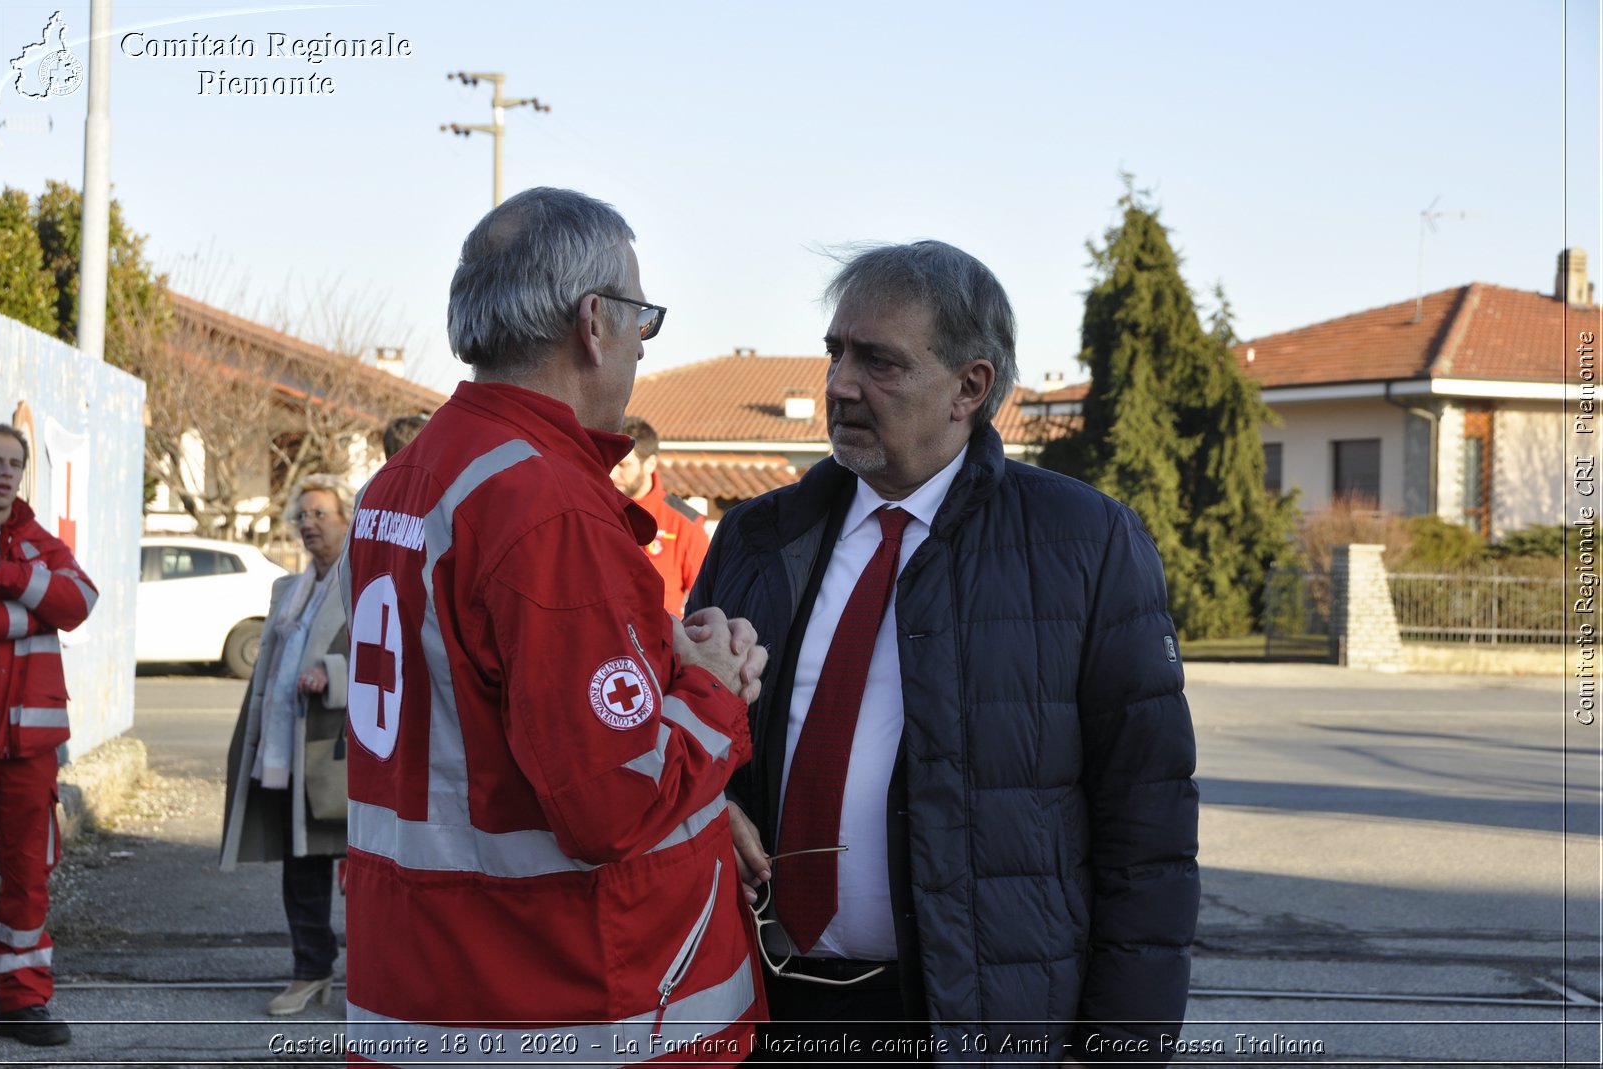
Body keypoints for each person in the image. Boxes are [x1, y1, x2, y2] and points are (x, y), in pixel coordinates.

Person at [687, 241, 1200, 1065]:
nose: (841, 384)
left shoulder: (1085, 543)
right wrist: (711, 804)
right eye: (836, 352)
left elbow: (1149, 823)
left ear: (971, 386)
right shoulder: (757, 536)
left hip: (968, 1019)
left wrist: (1116, 1049)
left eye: (879, 362)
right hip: (759, 1005)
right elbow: (683, 742)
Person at [340, 187, 767, 1065]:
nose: (642, 351)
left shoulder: (411, 477)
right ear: (593, 322)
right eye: (643, 321)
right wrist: (711, 686)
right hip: (563, 996)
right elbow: (613, 805)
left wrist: (658, 660)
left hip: (428, 980)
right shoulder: (544, 503)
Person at [219, 474, 353, 1016]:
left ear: (348, 520)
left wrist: (334, 672)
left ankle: (373, 978)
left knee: (365, 872)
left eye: (321, 513)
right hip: (286, 746)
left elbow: (395, 654)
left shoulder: (366, 583)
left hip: (341, 753)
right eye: (302, 515)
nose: (308, 524)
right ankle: (310, 971)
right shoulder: (286, 590)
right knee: (301, 867)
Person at [0, 424, 96, 1047]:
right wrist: (31, 610)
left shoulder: (37, 542)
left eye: (13, 463)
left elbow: (81, 600)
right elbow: (54, 604)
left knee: (27, 879)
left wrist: (4, 575)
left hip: (29, 756)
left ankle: (21, 1001)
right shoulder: (36, 555)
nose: (3, 473)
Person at [612, 415, 711, 616]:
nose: (612, 474)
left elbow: (708, 602)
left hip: (659, 643)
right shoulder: (596, 508)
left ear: (650, 464)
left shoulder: (684, 523)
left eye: (623, 465)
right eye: (611, 464)